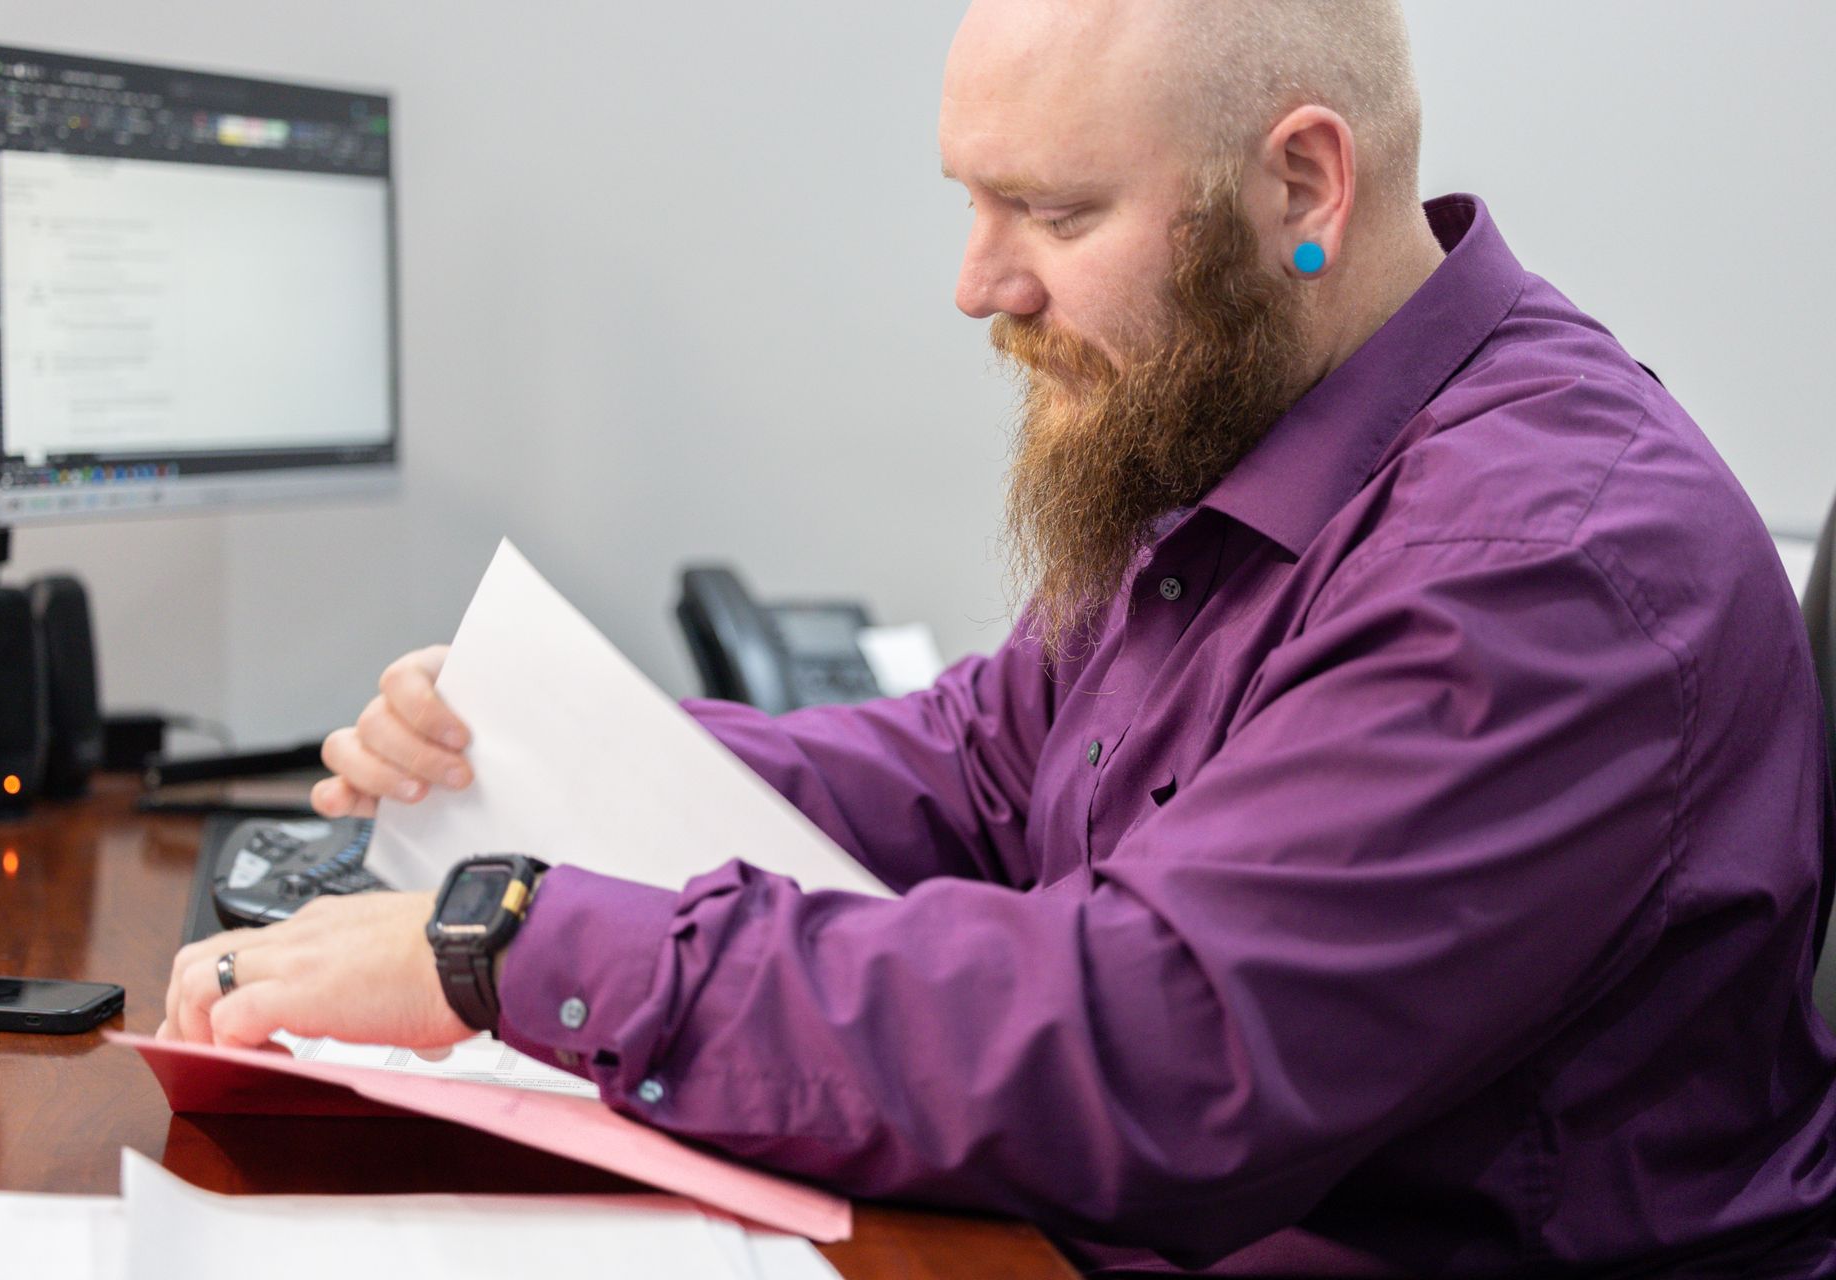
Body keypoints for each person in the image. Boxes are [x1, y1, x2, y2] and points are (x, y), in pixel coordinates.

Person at [163, 0, 1836, 1273]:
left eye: (1050, 211)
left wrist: (512, 947)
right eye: (974, 204)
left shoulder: (1539, 564)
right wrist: (532, 748)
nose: (981, 285)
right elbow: (977, 766)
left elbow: (1161, 1041)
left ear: (1303, 184)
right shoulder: (1271, 438)